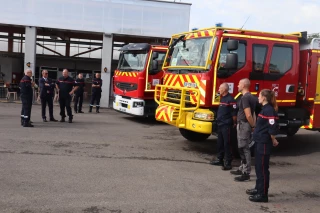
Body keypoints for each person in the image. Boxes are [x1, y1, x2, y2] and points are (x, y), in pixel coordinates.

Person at [247, 89, 279, 203]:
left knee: (263, 169)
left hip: (264, 143)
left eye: (259, 95)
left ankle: (263, 194)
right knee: (258, 168)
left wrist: (273, 139)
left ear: (264, 98)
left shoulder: (269, 110)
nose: (258, 97)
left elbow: (272, 127)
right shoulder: (264, 109)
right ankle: (258, 188)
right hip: (259, 141)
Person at [230, 78, 257, 182]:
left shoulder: (245, 98)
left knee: (243, 148)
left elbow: (249, 114)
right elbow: (253, 113)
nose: (237, 86)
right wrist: (253, 125)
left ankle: (246, 172)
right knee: (242, 147)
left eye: (239, 84)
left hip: (244, 125)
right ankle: (242, 168)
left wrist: (252, 125)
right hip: (244, 125)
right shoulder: (252, 97)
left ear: (244, 85)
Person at [210, 83, 237, 170]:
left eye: (220, 88)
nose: (219, 89)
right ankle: (220, 159)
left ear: (225, 89)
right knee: (220, 143)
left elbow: (234, 114)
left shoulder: (230, 99)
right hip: (220, 124)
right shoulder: (222, 98)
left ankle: (228, 162)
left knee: (227, 143)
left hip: (226, 125)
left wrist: (234, 122)